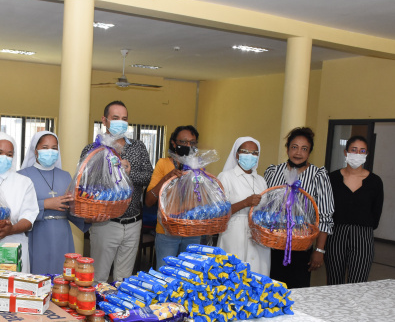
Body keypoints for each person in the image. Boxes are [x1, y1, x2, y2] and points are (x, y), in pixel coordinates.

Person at [79, 101, 153, 281]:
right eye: (115, 118)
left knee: (124, 279)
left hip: (134, 222)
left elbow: (148, 177)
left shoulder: (137, 147)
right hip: (106, 223)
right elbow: (84, 184)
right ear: (104, 120)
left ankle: (119, 309)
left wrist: (129, 173)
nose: (121, 122)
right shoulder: (93, 149)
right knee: (99, 277)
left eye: (124, 119)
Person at [264, 127, 334, 288]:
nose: (298, 153)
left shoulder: (318, 176)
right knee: (270, 289)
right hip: (272, 244)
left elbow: (325, 217)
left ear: (310, 152)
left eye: (304, 149)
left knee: (298, 291)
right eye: (294, 147)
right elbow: (263, 207)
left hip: (301, 247)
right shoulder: (273, 172)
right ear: (287, 149)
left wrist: (320, 250)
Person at [18, 131, 89, 274]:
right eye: (45, 147)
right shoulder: (23, 175)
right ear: (35, 151)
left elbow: (71, 209)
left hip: (63, 235)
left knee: (62, 277)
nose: (49, 151)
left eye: (54, 148)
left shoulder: (65, 176)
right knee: (38, 277)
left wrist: (90, 215)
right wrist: (45, 204)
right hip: (37, 234)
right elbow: (17, 209)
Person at [144, 125, 205, 269]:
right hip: (167, 231)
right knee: (166, 273)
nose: (188, 146)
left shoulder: (199, 167)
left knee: (189, 274)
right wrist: (167, 178)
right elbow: (148, 201)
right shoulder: (163, 164)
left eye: (192, 143)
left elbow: (203, 200)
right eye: (183, 142)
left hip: (192, 231)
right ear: (173, 143)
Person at [326, 136, 384, 284]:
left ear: (366, 154)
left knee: (358, 283)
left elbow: (376, 212)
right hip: (336, 235)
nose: (357, 154)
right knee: (334, 281)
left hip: (363, 236)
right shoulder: (332, 178)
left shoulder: (375, 182)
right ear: (346, 153)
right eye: (354, 150)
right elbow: (325, 208)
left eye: (362, 151)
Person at [0, 131, 39, 273]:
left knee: (10, 291)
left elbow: (29, 216)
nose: (4, 158)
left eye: (9, 155)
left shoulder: (23, 182)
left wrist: (10, 230)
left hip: (12, 246)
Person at [217, 136, 270, 274]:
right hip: (234, 233)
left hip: (259, 236)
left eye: (254, 153)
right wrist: (245, 203)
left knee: (258, 275)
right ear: (237, 154)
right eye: (245, 152)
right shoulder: (225, 177)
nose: (250, 156)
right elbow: (218, 213)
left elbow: (265, 208)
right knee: (233, 277)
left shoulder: (261, 181)